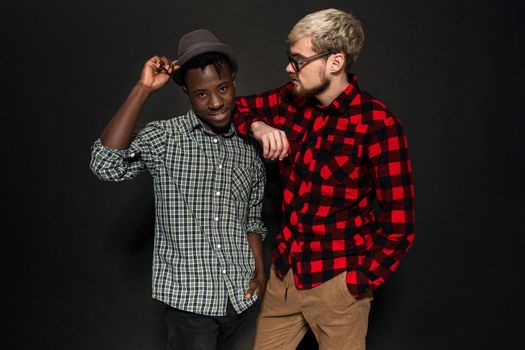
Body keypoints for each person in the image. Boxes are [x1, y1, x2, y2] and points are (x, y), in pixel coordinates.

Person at [233, 8, 415, 350]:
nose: (289, 68)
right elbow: (235, 107)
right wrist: (259, 126)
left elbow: (399, 225)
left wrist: (356, 284)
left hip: (338, 284)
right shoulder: (289, 102)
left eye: (299, 60)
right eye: (290, 58)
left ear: (335, 63)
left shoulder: (377, 124)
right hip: (286, 276)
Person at [90, 29, 267, 350]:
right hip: (191, 300)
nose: (215, 102)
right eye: (201, 94)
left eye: (223, 88)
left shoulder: (248, 147)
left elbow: (252, 219)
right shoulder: (166, 137)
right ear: (187, 94)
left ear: (234, 83)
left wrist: (260, 272)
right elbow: (105, 164)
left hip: (242, 297)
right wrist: (143, 88)